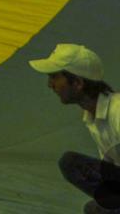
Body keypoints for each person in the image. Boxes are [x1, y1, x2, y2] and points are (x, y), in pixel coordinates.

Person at [33, 42, 120, 212]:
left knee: (71, 163)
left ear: (78, 83)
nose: (50, 85)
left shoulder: (117, 111)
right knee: (94, 209)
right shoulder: (92, 118)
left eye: (54, 77)